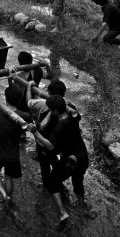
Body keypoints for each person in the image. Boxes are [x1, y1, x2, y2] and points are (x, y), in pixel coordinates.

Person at [26, 96, 90, 228]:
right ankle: (82, 209)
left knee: (52, 182)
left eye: (51, 109)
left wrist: (35, 132)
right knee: (78, 182)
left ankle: (63, 213)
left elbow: (50, 146)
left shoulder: (60, 126)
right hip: (82, 156)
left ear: (55, 110)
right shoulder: (74, 117)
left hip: (69, 160)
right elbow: (72, 109)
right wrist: (63, 103)